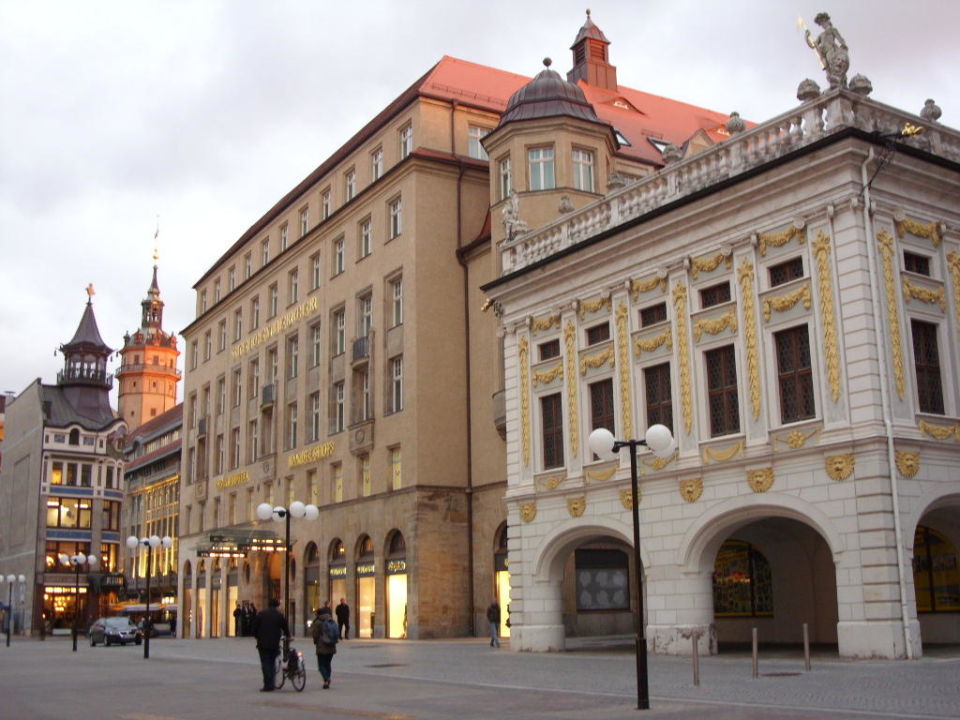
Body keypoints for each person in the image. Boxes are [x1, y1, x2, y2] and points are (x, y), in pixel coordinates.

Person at [251, 598, 289, 692]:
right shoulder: (279, 615)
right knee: (272, 663)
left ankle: (268, 684)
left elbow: (254, 628)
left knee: (265, 664)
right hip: (274, 643)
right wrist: (288, 635)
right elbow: (285, 627)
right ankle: (270, 683)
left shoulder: (261, 614)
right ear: (276, 606)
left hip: (262, 643)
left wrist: (257, 636)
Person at [311, 606, 339, 689]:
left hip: (321, 646)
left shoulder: (318, 622)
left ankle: (326, 679)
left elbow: (315, 635)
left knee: (321, 665)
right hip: (331, 646)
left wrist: (315, 641)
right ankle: (327, 679)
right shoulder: (331, 620)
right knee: (328, 664)